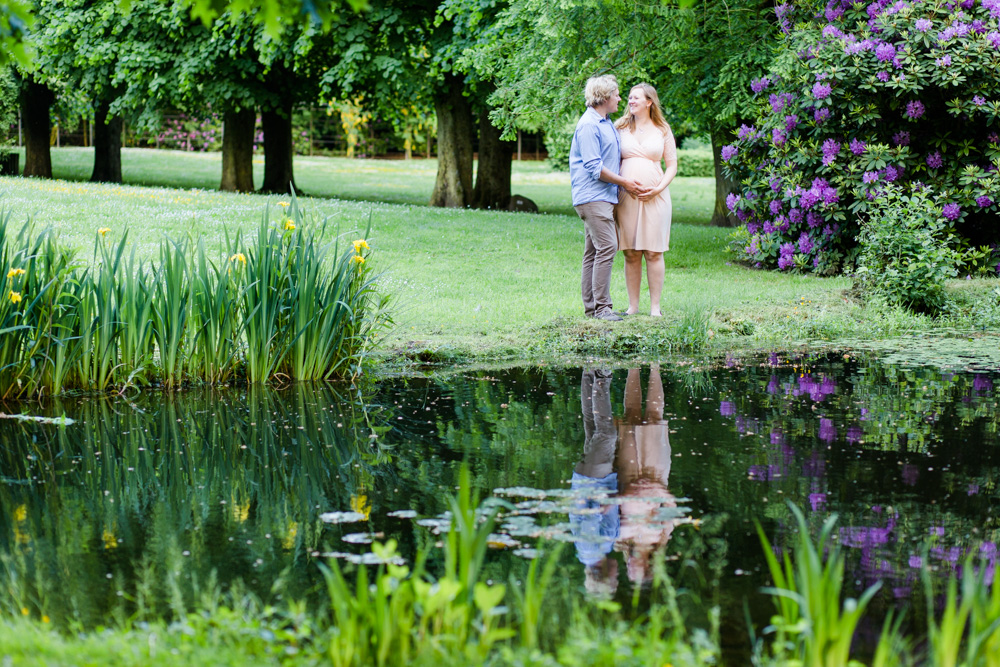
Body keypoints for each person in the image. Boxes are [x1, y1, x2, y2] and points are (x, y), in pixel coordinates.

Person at [569, 75, 641, 322]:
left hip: (602, 196)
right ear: (604, 97)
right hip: (592, 196)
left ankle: (592, 309)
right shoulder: (589, 125)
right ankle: (602, 309)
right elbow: (594, 167)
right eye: (617, 94)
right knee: (608, 246)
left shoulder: (605, 121)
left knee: (593, 252)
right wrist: (625, 182)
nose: (620, 98)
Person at [614, 84, 678, 317]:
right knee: (630, 251)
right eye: (629, 97)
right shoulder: (619, 127)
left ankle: (655, 308)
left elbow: (672, 165)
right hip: (626, 197)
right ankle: (633, 306)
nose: (630, 101)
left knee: (654, 251)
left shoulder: (662, 128)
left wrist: (658, 189)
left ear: (649, 102)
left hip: (656, 197)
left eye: (635, 98)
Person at [614, 365, 677, 587]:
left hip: (628, 477)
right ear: (648, 568)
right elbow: (671, 507)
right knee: (654, 418)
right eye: (635, 572)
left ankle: (633, 368)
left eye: (629, 571)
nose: (630, 568)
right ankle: (655, 368)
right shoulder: (662, 538)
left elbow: (611, 506)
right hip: (656, 477)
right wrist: (657, 489)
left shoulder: (620, 541)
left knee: (630, 418)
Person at [569, 368, 621, 597]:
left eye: (615, 579)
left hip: (594, 482)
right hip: (590, 479)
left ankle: (601, 375)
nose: (618, 575)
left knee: (607, 434)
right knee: (591, 427)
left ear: (605, 576)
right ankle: (589, 374)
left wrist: (606, 506)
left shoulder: (591, 550)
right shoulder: (590, 552)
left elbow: (588, 517)